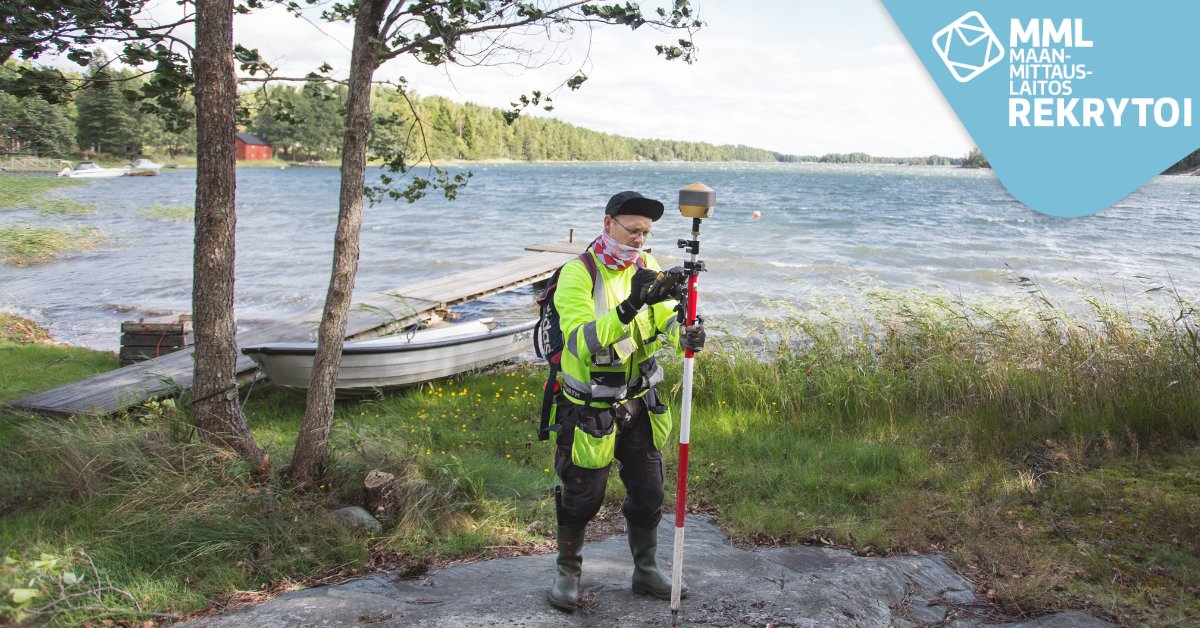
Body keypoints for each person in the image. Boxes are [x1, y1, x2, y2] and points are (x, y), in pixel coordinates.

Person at [547, 190, 706, 612]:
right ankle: (567, 572)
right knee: (582, 494)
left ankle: (646, 569)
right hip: (590, 409)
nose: (639, 240)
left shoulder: (648, 266)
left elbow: (663, 324)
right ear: (607, 224)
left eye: (646, 233)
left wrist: (684, 334)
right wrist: (632, 302)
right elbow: (581, 343)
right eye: (632, 230)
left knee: (649, 490)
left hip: (639, 402)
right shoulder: (578, 274)